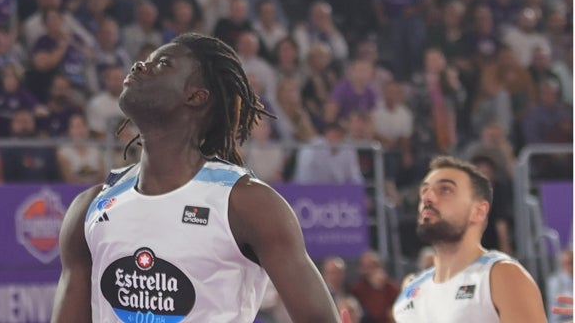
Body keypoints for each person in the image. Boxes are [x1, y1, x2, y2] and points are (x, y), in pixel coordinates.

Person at [51, 33, 343, 323]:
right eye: (146, 60)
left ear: (196, 96)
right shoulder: (88, 208)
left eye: (163, 63)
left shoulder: (248, 203)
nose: (140, 65)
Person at [393, 155, 547, 322]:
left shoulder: (500, 275)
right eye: (424, 190)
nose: (427, 198)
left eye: (445, 189)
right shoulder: (411, 287)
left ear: (479, 211)